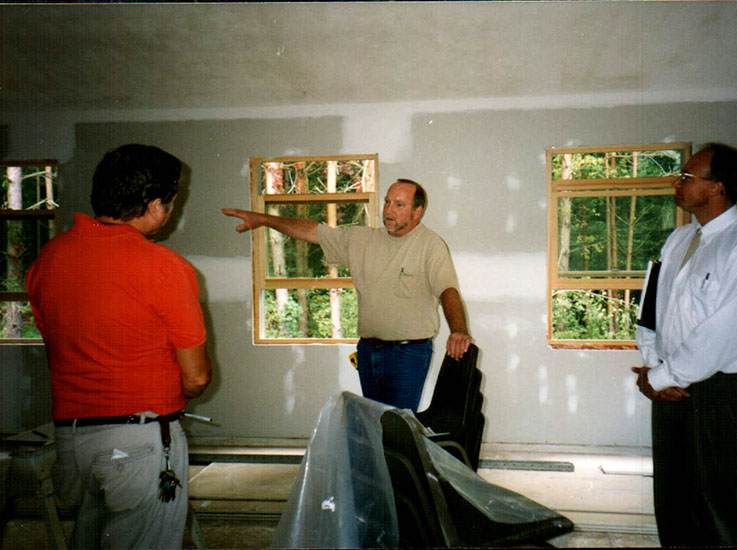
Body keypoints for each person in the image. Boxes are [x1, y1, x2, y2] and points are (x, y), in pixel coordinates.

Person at [26, 144, 212, 549]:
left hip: (72, 442)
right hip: (138, 442)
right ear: (154, 205)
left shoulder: (49, 258)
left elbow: (62, 347)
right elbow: (196, 378)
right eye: (170, 204)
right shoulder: (165, 267)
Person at [632, 143, 737, 546]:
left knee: (724, 509)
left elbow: (723, 333)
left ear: (717, 187)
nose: (676, 183)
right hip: (669, 391)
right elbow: (651, 311)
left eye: (687, 177)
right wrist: (652, 366)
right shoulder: (679, 240)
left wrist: (661, 377)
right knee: (675, 504)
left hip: (718, 394)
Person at [223, 178, 471, 410]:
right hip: (368, 352)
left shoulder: (430, 245)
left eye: (399, 205)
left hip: (407, 355)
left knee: (398, 432)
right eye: (387, 202)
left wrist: (458, 329)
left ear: (417, 212)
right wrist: (263, 219)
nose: (388, 210)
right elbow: (311, 231)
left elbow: (447, 289)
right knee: (373, 427)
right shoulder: (362, 239)